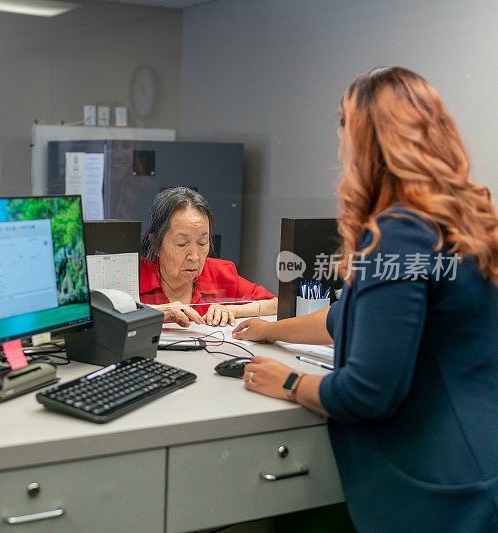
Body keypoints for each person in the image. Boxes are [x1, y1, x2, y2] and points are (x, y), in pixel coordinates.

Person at [232, 67, 498, 531]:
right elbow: (354, 318)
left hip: (442, 490)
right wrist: (271, 329)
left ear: (364, 143)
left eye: (342, 124)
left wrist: (290, 382)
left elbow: (367, 394)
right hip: (480, 461)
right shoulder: (459, 221)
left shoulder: (398, 235)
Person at [140, 187, 277, 327]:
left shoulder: (220, 273)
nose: (194, 257)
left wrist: (230, 309)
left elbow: (275, 304)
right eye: (182, 244)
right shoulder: (134, 275)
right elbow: (116, 316)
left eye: (202, 243)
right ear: (156, 245)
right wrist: (161, 312)